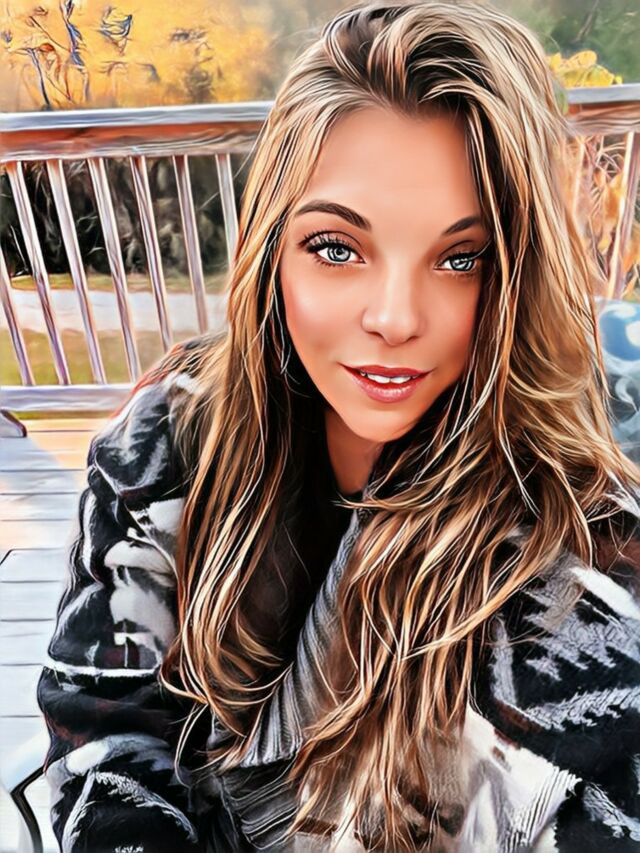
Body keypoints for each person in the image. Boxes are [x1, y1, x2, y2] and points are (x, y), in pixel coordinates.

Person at [37, 1, 640, 850]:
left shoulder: (582, 553)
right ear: (271, 248)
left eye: (461, 258)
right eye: (337, 247)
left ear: (516, 278)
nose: (395, 317)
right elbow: (101, 728)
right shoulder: (167, 441)